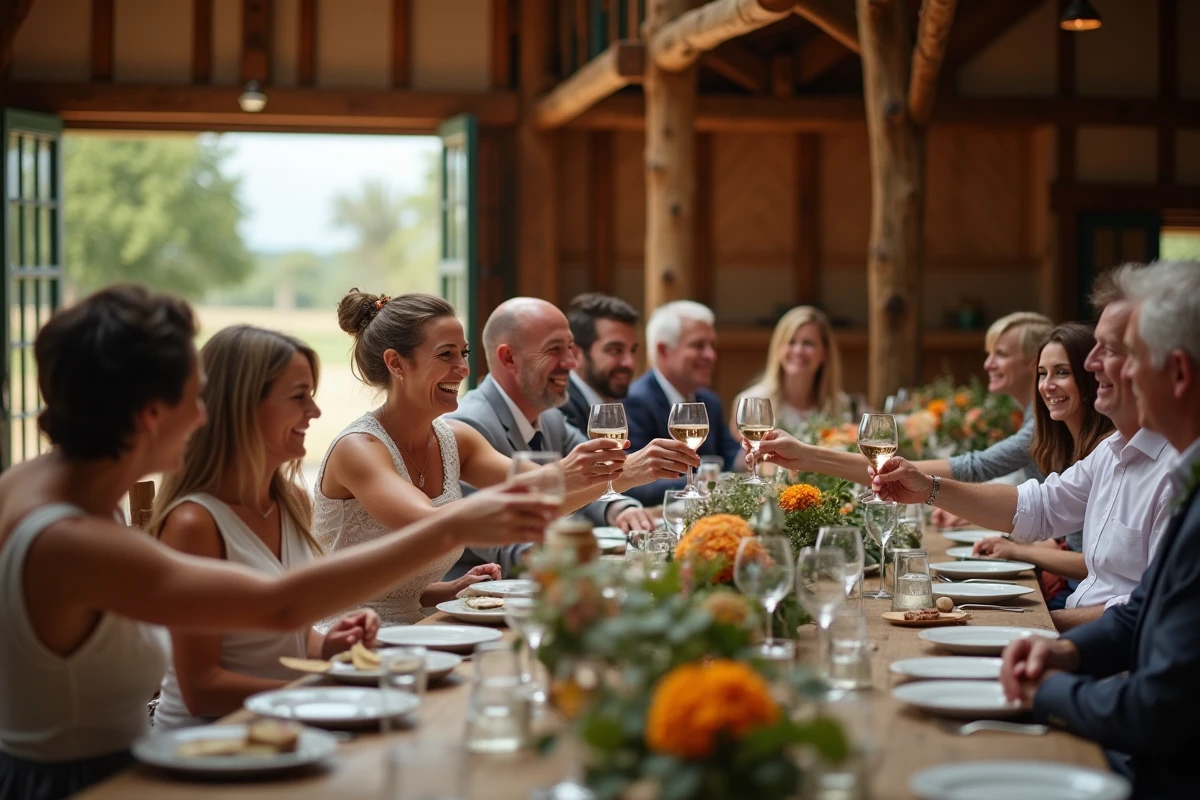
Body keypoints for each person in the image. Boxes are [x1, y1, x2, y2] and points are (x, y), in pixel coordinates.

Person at [0, 285, 554, 800]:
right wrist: (452, 525)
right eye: (194, 398)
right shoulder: (70, 538)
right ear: (149, 416)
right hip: (93, 784)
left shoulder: (36, 488)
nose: (204, 415)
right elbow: (278, 604)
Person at [867, 265, 1176, 631]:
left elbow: (1147, 612)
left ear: (1167, 363)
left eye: (1108, 350)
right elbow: (1038, 507)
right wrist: (928, 489)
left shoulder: (1176, 473)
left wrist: (1040, 626)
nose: (1091, 364)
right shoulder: (1112, 452)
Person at [999, 260, 1200, 798]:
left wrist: (1048, 691)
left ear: (1178, 374)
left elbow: (1159, 711)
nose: (1097, 368)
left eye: (1125, 355)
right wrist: (1066, 651)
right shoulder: (1183, 470)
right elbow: (1142, 613)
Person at [314, 291, 629, 625]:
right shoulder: (359, 449)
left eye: (463, 353)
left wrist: (637, 470)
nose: (463, 368)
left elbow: (541, 501)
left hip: (417, 628)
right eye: (446, 354)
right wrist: (564, 472)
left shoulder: (454, 439)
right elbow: (430, 525)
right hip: (348, 636)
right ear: (396, 363)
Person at [150, 326, 381, 730]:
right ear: (242, 406)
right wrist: (319, 691)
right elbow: (201, 687)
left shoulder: (293, 500)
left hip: (282, 726)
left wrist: (326, 645)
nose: (315, 411)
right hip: (210, 743)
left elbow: (282, 641)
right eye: (298, 397)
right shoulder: (195, 524)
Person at [445, 298, 697, 580]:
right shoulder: (469, 426)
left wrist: (618, 507)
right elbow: (511, 546)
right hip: (473, 606)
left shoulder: (550, 417)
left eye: (570, 348)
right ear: (509, 358)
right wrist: (628, 472)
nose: (571, 362)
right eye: (555, 349)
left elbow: (586, 478)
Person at [753, 311, 1054, 497]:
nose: (988, 364)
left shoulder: (1041, 426)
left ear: (1035, 361)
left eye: (1000, 354)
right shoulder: (1033, 417)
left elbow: (976, 467)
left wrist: (808, 456)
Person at [971, 323, 1114, 609]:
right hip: (1074, 595)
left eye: (1062, 372)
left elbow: (1099, 564)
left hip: (1088, 605)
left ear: (1091, 377)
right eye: (1043, 374)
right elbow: (1063, 537)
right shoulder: (1063, 445)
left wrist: (1019, 550)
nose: (1047, 385)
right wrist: (1010, 544)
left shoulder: (1108, 451)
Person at [624, 301, 743, 505]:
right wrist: (704, 482)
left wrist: (756, 451)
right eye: (698, 345)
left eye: (712, 346)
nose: (711, 355)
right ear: (663, 350)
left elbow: (732, 458)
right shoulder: (635, 401)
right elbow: (634, 482)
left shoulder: (709, 402)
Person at [728, 306, 850, 439]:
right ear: (778, 348)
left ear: (825, 353)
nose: (798, 351)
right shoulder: (750, 404)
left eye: (808, 343)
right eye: (791, 342)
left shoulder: (842, 406)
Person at [563, 292, 641, 433]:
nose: (630, 363)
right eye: (615, 350)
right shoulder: (561, 408)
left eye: (633, 350)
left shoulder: (618, 404)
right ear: (575, 355)